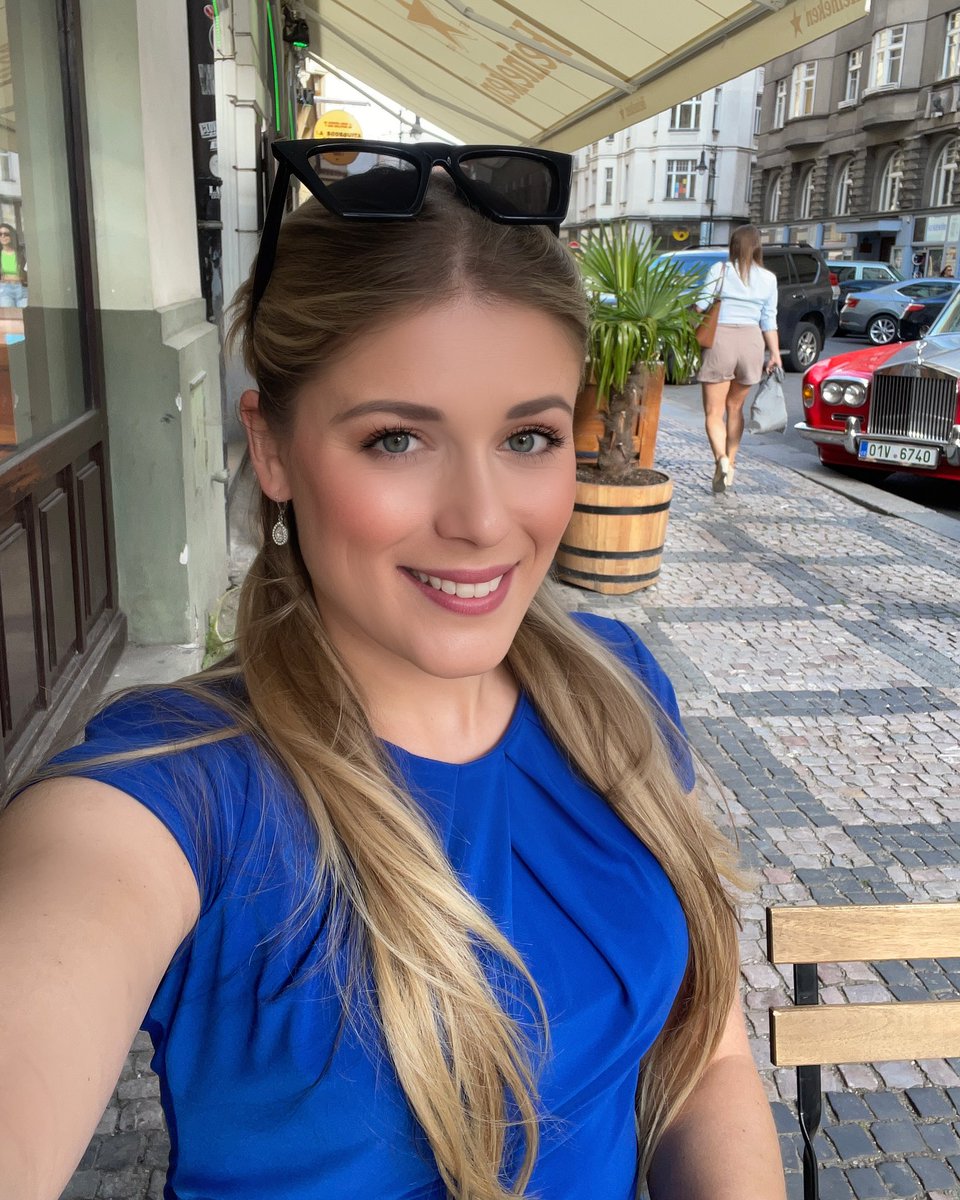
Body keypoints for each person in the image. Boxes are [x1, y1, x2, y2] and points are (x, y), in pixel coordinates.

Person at [0, 142, 786, 1200]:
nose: (482, 520)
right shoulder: (184, 793)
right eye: (396, 441)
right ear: (272, 450)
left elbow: (706, 1055)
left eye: (529, 437)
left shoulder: (619, 691)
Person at [696, 224, 781, 493]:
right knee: (735, 408)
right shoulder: (768, 279)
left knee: (714, 412)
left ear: (733, 245)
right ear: (757, 247)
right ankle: (732, 462)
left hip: (720, 339)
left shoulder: (720, 270)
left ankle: (721, 458)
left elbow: (701, 305)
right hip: (752, 342)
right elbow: (769, 319)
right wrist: (775, 354)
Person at [0, 222, 27, 308]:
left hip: (22, 289)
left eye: (6, 234)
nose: (3, 236)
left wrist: (8, 277)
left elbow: (28, 273)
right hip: (5, 290)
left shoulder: (22, 253)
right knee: (9, 314)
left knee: (27, 314)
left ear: (12, 235)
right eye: (0, 234)